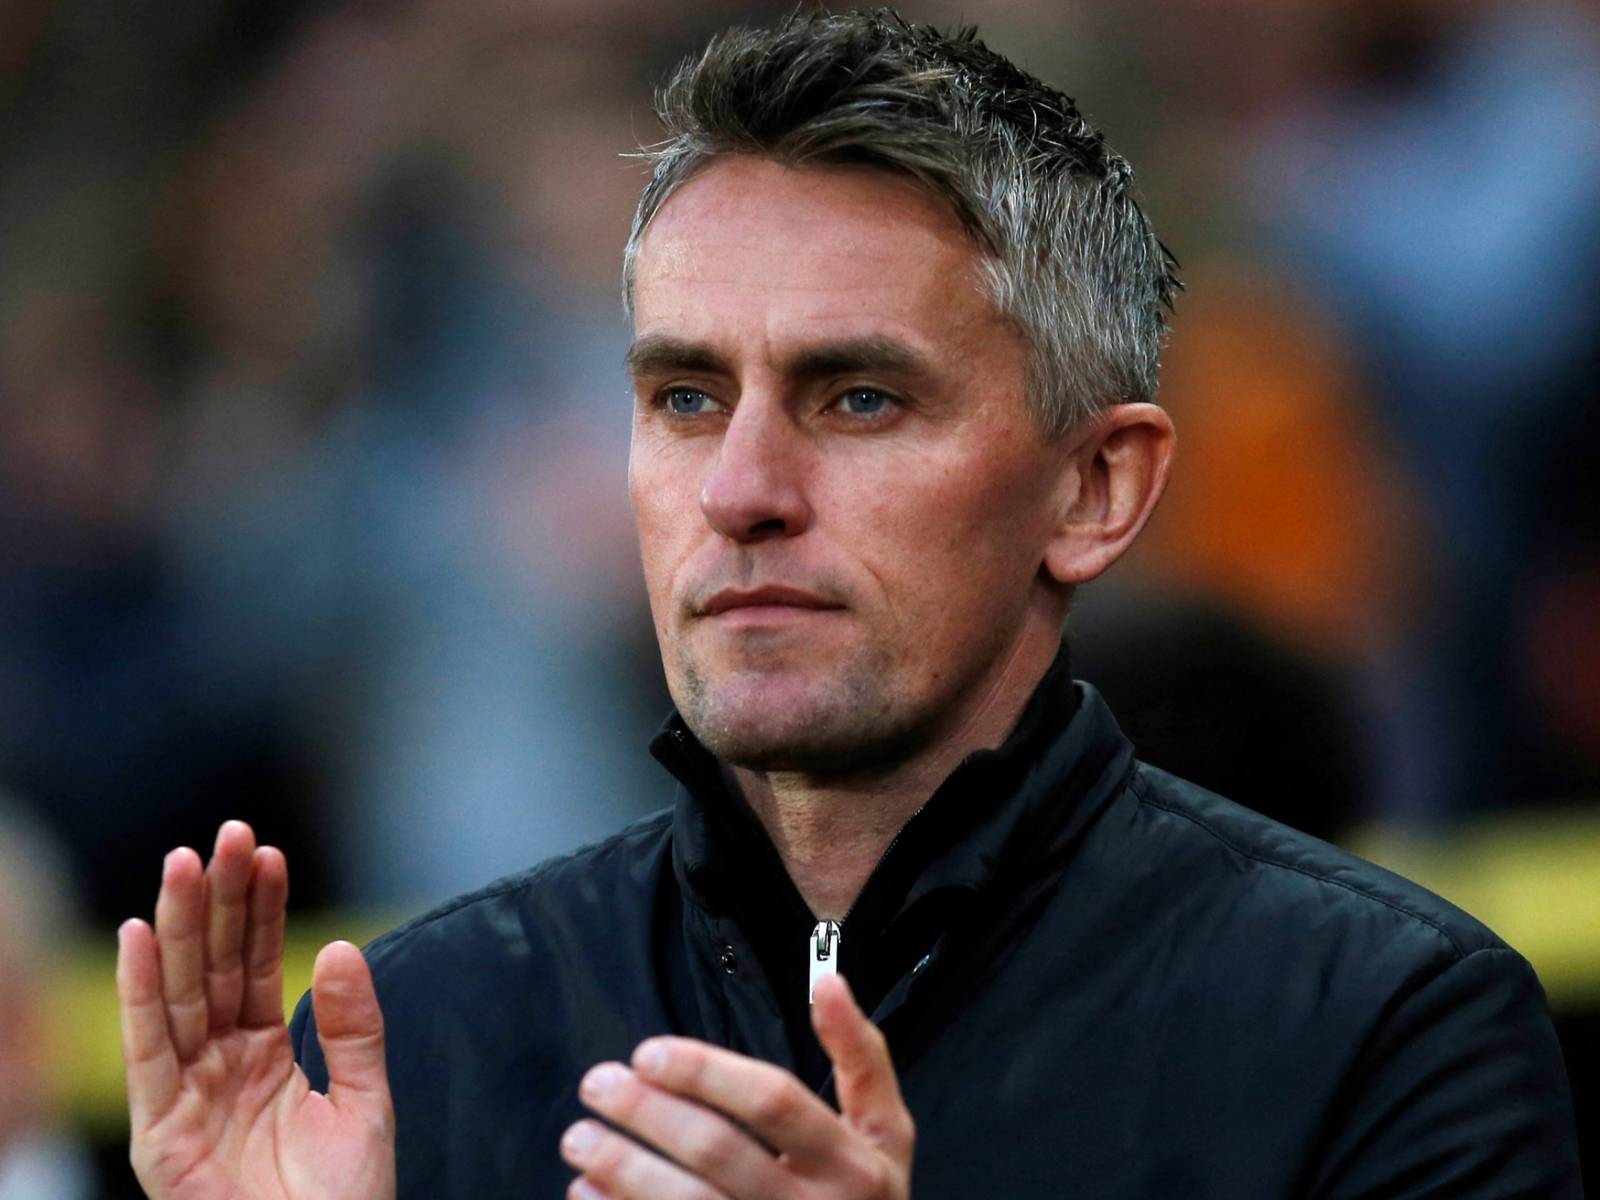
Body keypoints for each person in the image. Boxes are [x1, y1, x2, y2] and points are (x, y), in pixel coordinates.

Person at [115, 10, 1584, 1199]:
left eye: (860, 397)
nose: (741, 488)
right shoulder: (413, 1040)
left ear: (1096, 489)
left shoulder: (1389, 1030)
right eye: (685, 398)